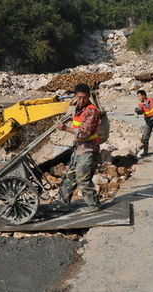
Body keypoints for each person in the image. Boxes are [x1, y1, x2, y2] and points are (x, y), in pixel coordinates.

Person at [53, 83, 101, 214]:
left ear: (88, 96)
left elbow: (84, 133)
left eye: (84, 97)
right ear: (75, 96)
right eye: (79, 97)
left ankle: (93, 204)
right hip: (78, 148)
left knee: (82, 177)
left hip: (88, 149)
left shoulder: (91, 111)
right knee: (70, 176)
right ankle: (63, 202)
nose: (81, 100)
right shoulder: (78, 109)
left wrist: (65, 128)